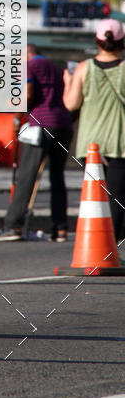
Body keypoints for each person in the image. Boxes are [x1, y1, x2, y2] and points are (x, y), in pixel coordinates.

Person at [0, 44, 73, 242]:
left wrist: (17, 116)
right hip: (63, 125)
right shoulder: (55, 68)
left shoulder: (28, 66)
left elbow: (27, 94)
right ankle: (60, 228)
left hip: (39, 125)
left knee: (26, 176)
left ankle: (13, 226)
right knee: (57, 178)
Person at [63, 19, 125, 241]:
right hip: (119, 144)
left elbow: (71, 104)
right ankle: (111, 249)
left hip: (90, 145)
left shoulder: (83, 68)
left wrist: (68, 82)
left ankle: (96, 244)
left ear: (97, 41)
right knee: (117, 199)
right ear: (122, 43)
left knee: (95, 198)